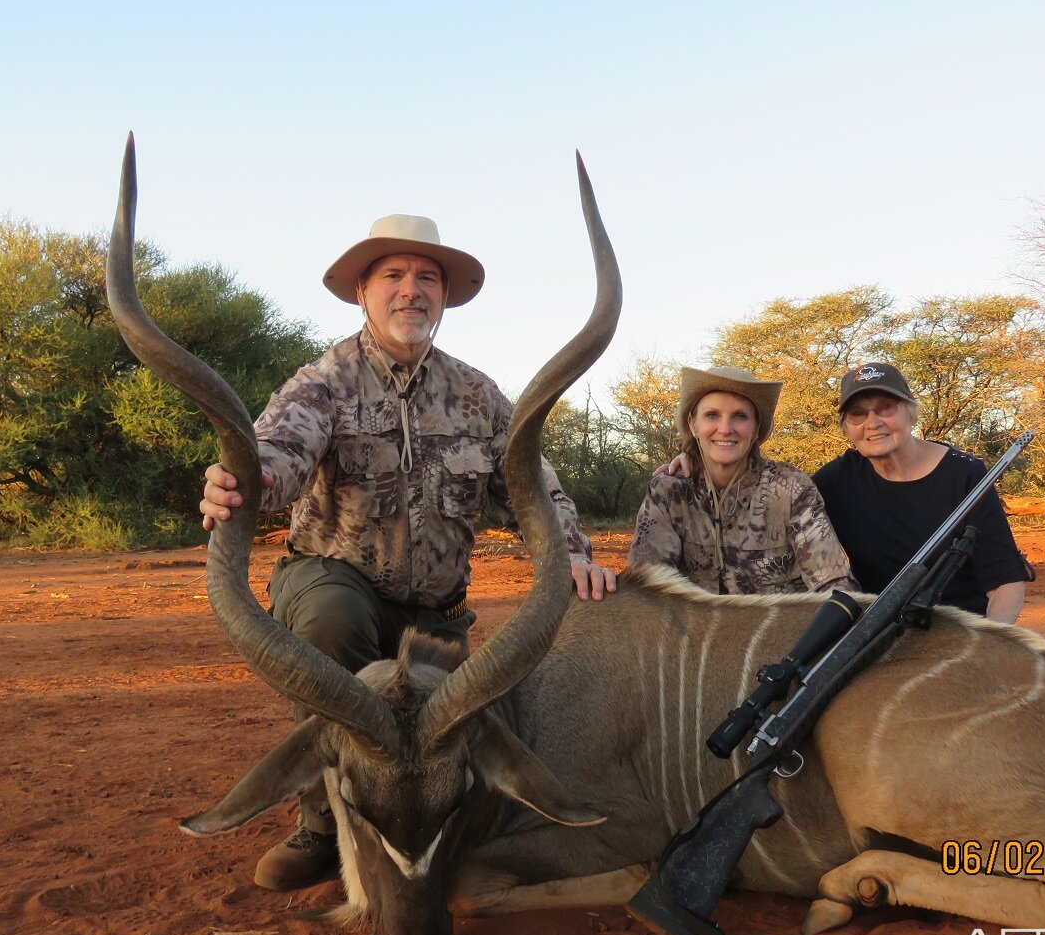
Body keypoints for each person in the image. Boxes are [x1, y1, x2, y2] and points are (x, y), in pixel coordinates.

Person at [199, 213, 617, 891]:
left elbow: (534, 491)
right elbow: (276, 455)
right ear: (362, 290)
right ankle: (322, 822)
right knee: (330, 626)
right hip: (337, 583)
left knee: (466, 727)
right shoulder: (325, 379)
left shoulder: (479, 396)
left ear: (444, 296)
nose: (410, 290)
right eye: (392, 274)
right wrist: (241, 480)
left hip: (434, 618)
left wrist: (569, 554)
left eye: (427, 277)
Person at [811, 362, 1030, 622]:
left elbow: (1005, 581)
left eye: (886, 408)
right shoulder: (834, 481)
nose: (873, 422)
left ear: (911, 414)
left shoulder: (965, 474)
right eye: (858, 414)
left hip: (963, 628)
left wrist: (991, 645)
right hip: (876, 632)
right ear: (847, 427)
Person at [630, 366, 855, 595]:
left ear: (756, 428)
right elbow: (645, 591)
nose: (725, 429)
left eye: (740, 416)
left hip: (785, 630)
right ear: (692, 424)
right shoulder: (668, 492)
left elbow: (836, 586)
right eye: (711, 415)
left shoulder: (792, 488)